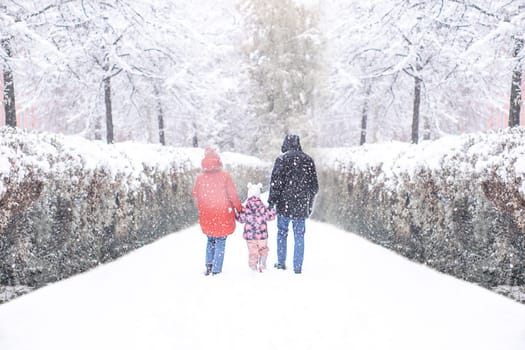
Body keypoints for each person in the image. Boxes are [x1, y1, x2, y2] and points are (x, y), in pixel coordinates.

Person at [268, 134, 318, 274]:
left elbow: (275, 184)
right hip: (301, 205)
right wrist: (309, 204)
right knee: (299, 235)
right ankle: (297, 267)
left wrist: (272, 202)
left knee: (282, 233)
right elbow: (314, 187)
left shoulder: (281, 160)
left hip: (284, 205)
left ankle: (281, 262)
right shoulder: (308, 160)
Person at [192, 147, 242, 275]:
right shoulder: (225, 176)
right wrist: (239, 209)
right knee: (220, 240)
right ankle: (217, 269)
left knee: (210, 240)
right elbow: (233, 195)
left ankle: (209, 265)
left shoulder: (200, 178)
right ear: (218, 160)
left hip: (207, 214)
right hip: (223, 214)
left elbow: (195, 195)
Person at [236, 182, 276, 272]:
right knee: (263, 249)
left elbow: (241, 219)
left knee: (252, 252)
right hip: (262, 235)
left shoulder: (246, 208)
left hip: (250, 236)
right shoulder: (262, 207)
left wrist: (237, 214)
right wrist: (273, 211)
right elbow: (270, 216)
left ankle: (253, 267)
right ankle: (262, 263)